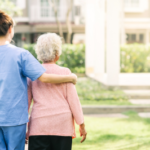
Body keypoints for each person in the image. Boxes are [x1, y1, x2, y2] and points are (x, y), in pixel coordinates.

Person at [0, 11, 77, 150]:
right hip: (14, 119)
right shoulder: (21, 54)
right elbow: (44, 77)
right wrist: (70, 78)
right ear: (10, 29)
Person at [26, 33, 87, 150]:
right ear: (57, 54)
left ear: (38, 52)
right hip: (62, 126)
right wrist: (81, 125)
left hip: (39, 125)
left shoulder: (32, 74)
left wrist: (24, 128)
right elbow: (74, 101)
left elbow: (26, 103)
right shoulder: (65, 73)